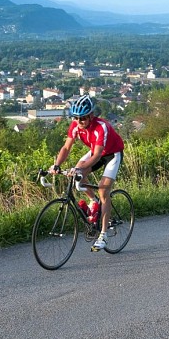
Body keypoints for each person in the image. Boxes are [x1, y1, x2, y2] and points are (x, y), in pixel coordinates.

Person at [50, 95, 125, 252]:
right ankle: (94, 201)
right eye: (76, 118)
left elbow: (97, 156)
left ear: (91, 115)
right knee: (78, 179)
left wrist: (79, 168)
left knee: (104, 190)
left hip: (112, 154)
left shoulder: (100, 127)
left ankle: (103, 235)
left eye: (83, 118)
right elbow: (66, 148)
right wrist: (57, 165)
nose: (79, 121)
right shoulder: (76, 126)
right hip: (96, 152)